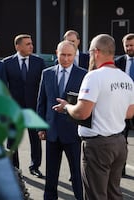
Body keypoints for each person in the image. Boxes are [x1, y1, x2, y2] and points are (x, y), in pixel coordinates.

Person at [53, 34, 134, 199]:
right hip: (119, 143)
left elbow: (82, 112)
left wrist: (67, 106)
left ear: (96, 52)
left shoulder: (94, 76)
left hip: (98, 144)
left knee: (96, 195)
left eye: (90, 52)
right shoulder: (126, 78)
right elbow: (130, 112)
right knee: (114, 193)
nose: (89, 56)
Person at [37, 40, 86, 200]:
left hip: (73, 132)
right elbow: (41, 102)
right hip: (52, 132)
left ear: (75, 54)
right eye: (62, 55)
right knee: (51, 174)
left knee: (77, 174)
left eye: (69, 55)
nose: (66, 58)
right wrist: (40, 127)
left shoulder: (83, 75)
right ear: (56, 54)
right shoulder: (47, 73)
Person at [2, 34, 45, 178]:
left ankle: (35, 166)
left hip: (33, 108)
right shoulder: (7, 63)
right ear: (17, 46)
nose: (31, 46)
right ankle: (14, 168)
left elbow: (42, 86)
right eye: (27, 44)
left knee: (35, 139)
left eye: (31, 43)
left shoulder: (39, 62)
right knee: (12, 140)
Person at [115, 33, 134, 176]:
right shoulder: (119, 62)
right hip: (123, 106)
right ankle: (120, 169)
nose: (129, 48)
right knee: (122, 139)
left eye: (131, 45)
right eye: (126, 45)